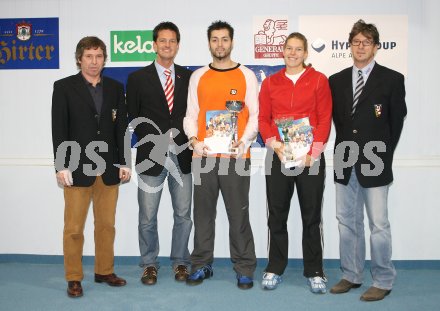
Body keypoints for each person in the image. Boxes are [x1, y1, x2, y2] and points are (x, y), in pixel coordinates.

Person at [329, 20, 407, 301]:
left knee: (378, 224)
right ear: (350, 46)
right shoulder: (335, 80)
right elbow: (337, 122)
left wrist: (382, 154)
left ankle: (383, 279)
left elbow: (395, 124)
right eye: (356, 42)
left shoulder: (392, 79)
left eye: (366, 42)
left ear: (376, 47)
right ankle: (351, 274)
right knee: (346, 222)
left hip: (376, 161)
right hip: (343, 159)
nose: (360, 47)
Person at [51, 36, 131, 298]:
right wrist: (62, 165)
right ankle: (74, 277)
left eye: (99, 56)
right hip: (76, 168)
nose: (94, 62)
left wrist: (125, 162)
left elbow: (122, 128)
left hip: (108, 168)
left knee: (106, 225)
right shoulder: (63, 87)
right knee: (73, 228)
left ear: (104, 59)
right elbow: (59, 128)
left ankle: (104, 270)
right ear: (79, 59)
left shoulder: (116, 88)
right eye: (89, 56)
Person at [183, 20, 258, 289]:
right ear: (209, 43)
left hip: (236, 158)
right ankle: (201, 264)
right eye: (215, 40)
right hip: (203, 158)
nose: (220, 45)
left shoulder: (247, 75)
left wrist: (244, 141)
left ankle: (244, 267)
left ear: (232, 42)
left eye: (224, 39)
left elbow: (255, 117)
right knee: (203, 215)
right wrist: (194, 140)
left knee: (238, 215)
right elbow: (190, 116)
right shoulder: (198, 76)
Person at [258, 32, 332, 293]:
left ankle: (315, 270)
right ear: (283, 51)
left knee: (311, 217)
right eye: (289, 48)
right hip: (278, 157)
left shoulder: (319, 81)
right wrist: (273, 143)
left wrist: (314, 152)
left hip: (310, 158)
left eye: (298, 49)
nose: (293, 53)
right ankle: (275, 267)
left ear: (305, 53)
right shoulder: (270, 83)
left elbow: (324, 120)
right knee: (276, 216)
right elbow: (263, 120)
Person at [126, 22, 193, 285]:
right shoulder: (137, 78)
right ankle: (149, 264)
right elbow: (133, 116)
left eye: (172, 41)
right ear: (154, 45)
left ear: (177, 45)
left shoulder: (188, 77)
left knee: (183, 215)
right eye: (162, 41)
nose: (167, 45)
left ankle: (180, 262)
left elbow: (192, 115)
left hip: (183, 156)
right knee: (147, 216)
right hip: (150, 155)